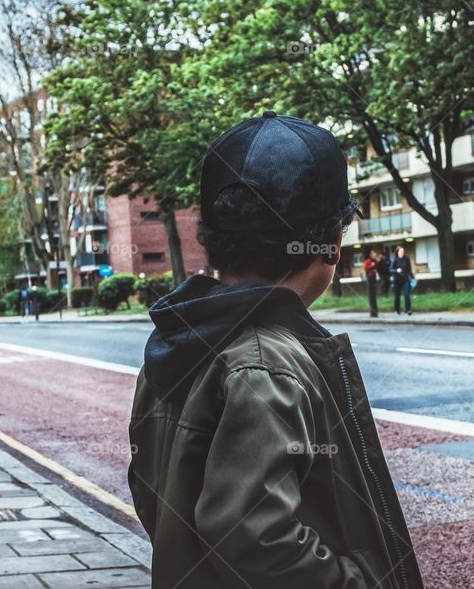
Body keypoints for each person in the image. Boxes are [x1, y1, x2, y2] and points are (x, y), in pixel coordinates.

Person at [128, 111, 423, 589]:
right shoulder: (268, 365)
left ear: (213, 240)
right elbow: (253, 535)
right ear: (332, 244)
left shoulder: (176, 343)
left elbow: (148, 490)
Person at [390, 246, 414, 315]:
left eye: (403, 251)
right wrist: (396, 270)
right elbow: (391, 270)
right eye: (401, 251)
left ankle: (408, 310)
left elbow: (409, 270)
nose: (402, 253)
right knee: (397, 296)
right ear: (397, 252)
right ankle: (397, 310)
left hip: (406, 280)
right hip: (397, 280)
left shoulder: (406, 259)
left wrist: (412, 278)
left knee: (407, 294)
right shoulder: (395, 260)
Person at [362, 249, 380, 317]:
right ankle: (372, 313)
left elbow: (377, 268)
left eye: (375, 254)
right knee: (371, 296)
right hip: (370, 278)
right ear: (371, 255)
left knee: (374, 296)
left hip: (374, 278)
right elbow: (365, 267)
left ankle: (375, 312)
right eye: (373, 254)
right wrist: (371, 266)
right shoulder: (368, 261)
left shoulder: (375, 261)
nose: (375, 255)